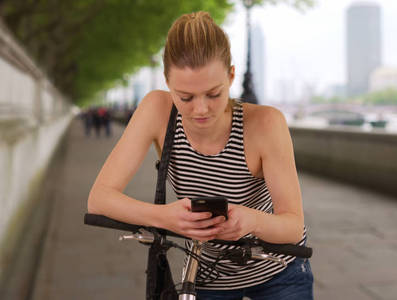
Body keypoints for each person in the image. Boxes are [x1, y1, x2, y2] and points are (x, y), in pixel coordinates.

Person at [88, 11, 312, 299]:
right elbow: (99, 198)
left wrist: (250, 221)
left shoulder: (267, 124)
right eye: (185, 97)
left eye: (214, 94)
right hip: (206, 274)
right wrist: (164, 217)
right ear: (168, 83)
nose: (201, 109)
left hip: (277, 269)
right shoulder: (157, 109)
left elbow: (293, 226)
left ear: (231, 76)